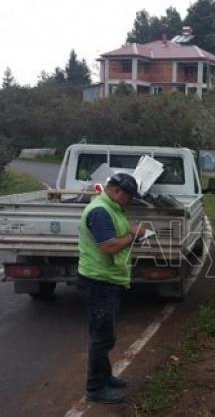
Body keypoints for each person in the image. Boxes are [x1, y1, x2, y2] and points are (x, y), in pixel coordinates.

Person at [77, 172, 147, 404]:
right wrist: (133, 235)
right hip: (99, 282)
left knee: (105, 335)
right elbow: (108, 247)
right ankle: (95, 389)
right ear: (117, 191)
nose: (130, 201)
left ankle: (105, 377)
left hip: (108, 280)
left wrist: (131, 234)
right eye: (129, 197)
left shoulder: (111, 207)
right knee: (101, 338)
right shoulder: (100, 211)